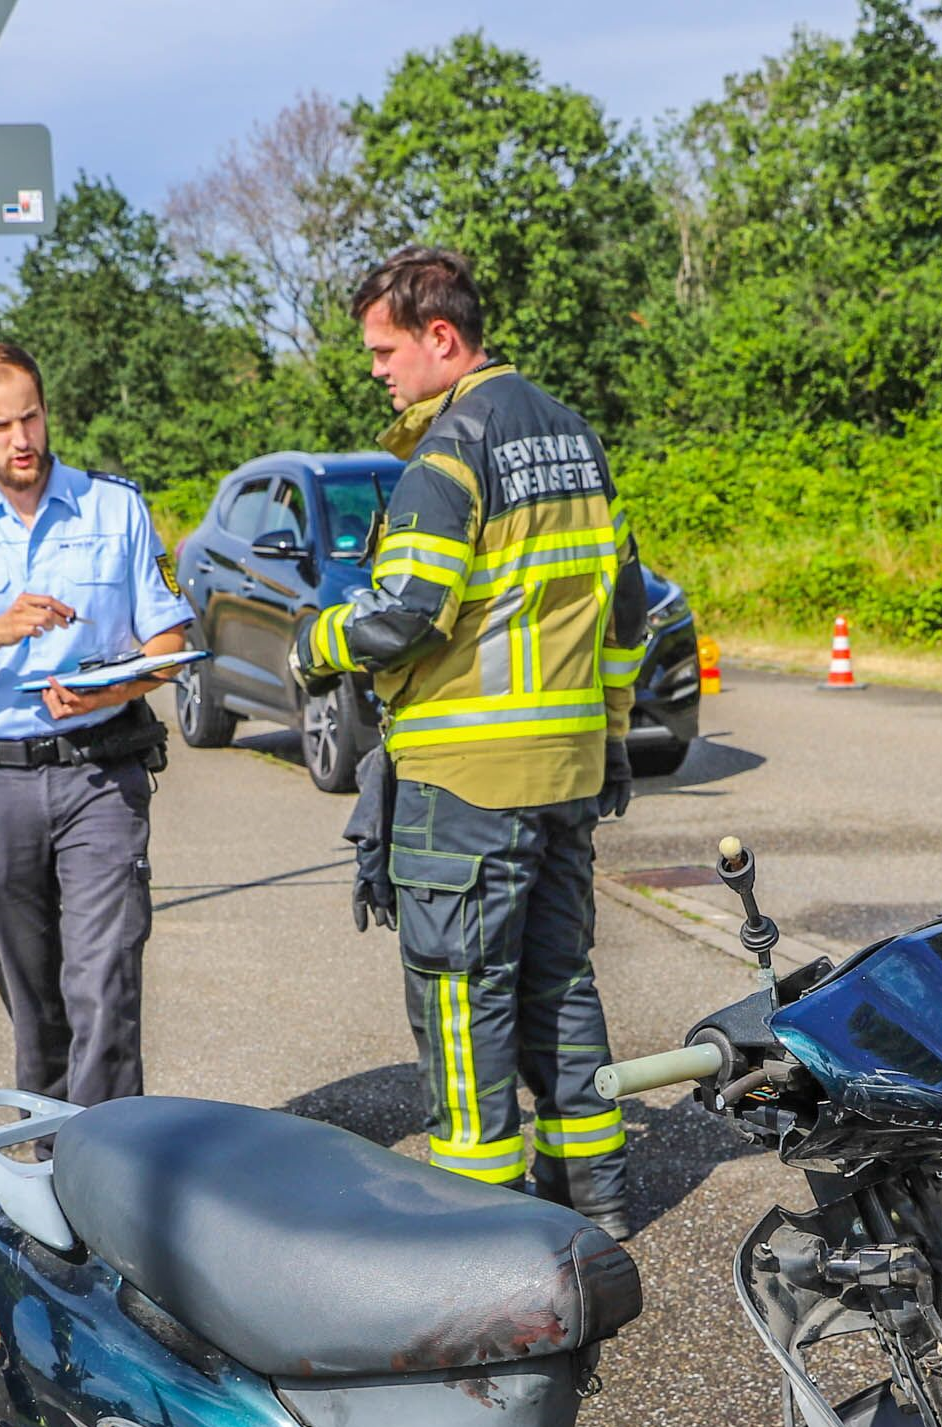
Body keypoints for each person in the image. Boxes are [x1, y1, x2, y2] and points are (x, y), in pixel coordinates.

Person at [301, 246, 652, 1238]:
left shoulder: (449, 454)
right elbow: (625, 606)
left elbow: (403, 615)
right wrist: (613, 734)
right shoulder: (574, 438)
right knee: (559, 978)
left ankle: (481, 1222)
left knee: (459, 998)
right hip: (566, 770)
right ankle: (601, 1193)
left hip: (466, 777)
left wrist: (313, 643)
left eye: (384, 349)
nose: (375, 368)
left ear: (440, 339)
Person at [0, 343, 195, 1105]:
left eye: (31, 417)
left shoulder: (113, 508)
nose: (21, 440)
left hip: (100, 774)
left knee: (105, 978)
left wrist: (106, 692)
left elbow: (170, 647)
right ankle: (52, 1162)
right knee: (33, 998)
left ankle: (108, 1173)